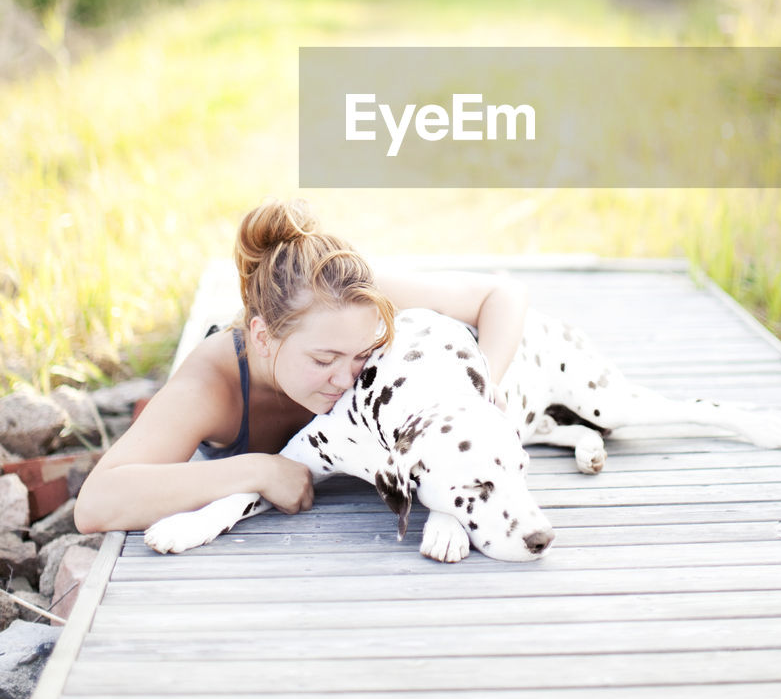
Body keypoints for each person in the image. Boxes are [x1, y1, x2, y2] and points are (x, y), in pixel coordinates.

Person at [74, 198, 528, 533]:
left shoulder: (354, 304)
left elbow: (500, 295)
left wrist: (485, 386)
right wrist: (259, 470)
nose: (346, 377)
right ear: (262, 337)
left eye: (362, 355)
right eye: (323, 359)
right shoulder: (213, 385)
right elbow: (96, 503)